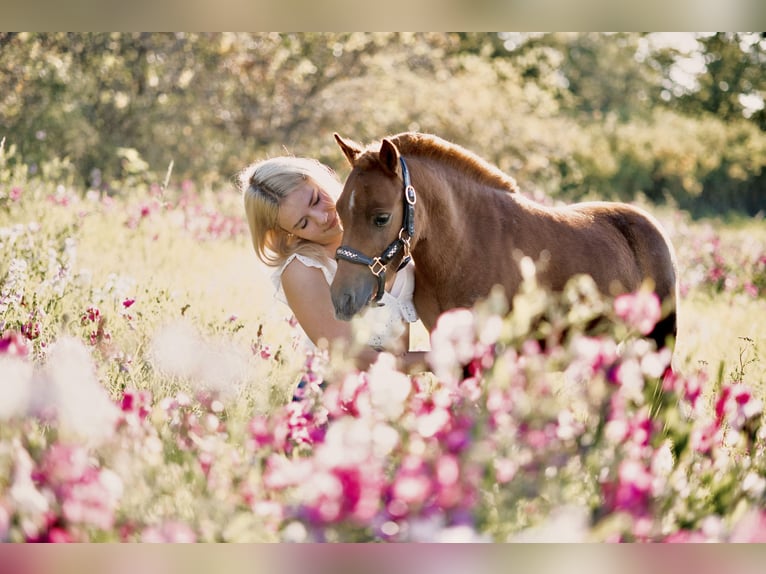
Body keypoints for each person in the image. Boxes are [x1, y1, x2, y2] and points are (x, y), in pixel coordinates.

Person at [237, 155, 428, 381]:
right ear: (288, 233)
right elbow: (349, 356)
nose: (323, 217)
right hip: (337, 400)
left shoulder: (384, 228)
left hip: (395, 394)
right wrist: (439, 360)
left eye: (316, 200)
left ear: (319, 180)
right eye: (303, 223)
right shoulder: (304, 269)